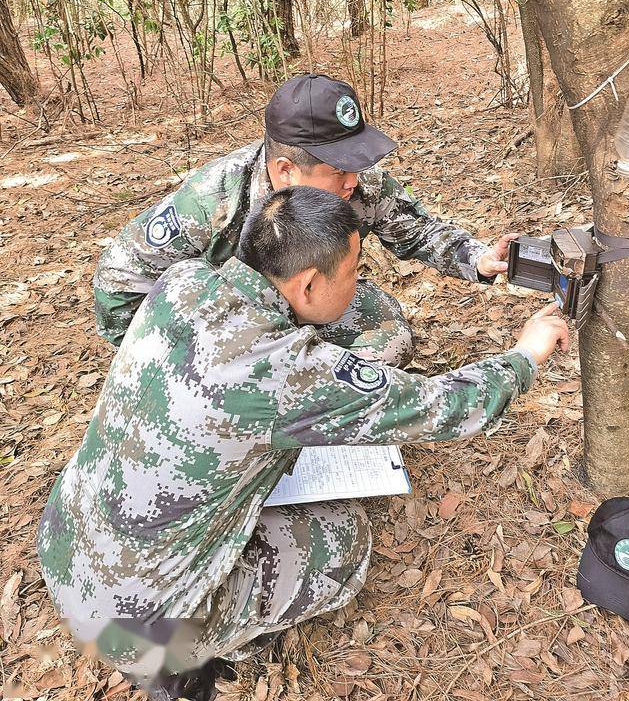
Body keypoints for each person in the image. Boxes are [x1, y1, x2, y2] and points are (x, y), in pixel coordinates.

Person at [39, 187, 568, 701]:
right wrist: (524, 356)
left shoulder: (183, 280)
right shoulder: (286, 371)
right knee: (344, 538)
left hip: (63, 542)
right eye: (354, 271)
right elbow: (444, 406)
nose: (358, 282)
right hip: (136, 620)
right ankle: (185, 662)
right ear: (309, 284)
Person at [94, 74, 518, 364]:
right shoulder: (212, 201)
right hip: (218, 321)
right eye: (338, 169)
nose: (353, 180)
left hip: (299, 298)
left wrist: (477, 258)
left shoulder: (359, 183)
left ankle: (315, 410)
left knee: (388, 341)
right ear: (284, 171)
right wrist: (170, 354)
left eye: (355, 163)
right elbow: (120, 279)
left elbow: (417, 229)